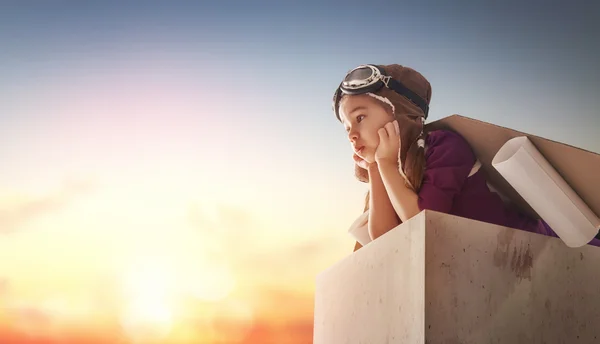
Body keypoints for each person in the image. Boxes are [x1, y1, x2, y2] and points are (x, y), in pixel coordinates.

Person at [333, 63, 600, 248]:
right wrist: (377, 169)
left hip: (539, 245)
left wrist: (386, 165)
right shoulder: (391, 169)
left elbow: (423, 223)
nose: (352, 134)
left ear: (398, 111)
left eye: (360, 117)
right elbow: (385, 241)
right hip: (483, 269)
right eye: (347, 127)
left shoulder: (444, 145)